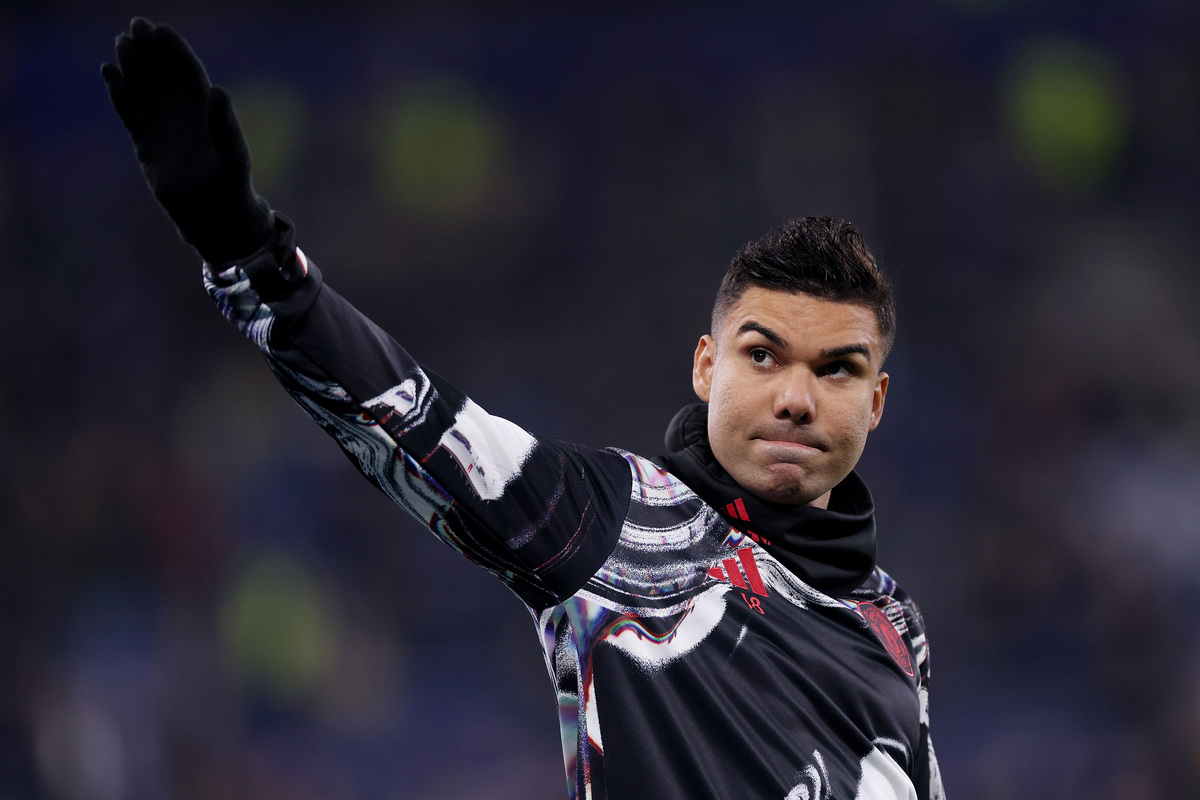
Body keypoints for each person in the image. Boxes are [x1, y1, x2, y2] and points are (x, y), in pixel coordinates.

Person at [103, 17, 946, 800]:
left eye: (835, 370)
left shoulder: (893, 623)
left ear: (875, 403)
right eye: (763, 357)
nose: (796, 399)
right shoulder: (624, 526)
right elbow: (417, 423)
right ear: (705, 368)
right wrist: (248, 251)